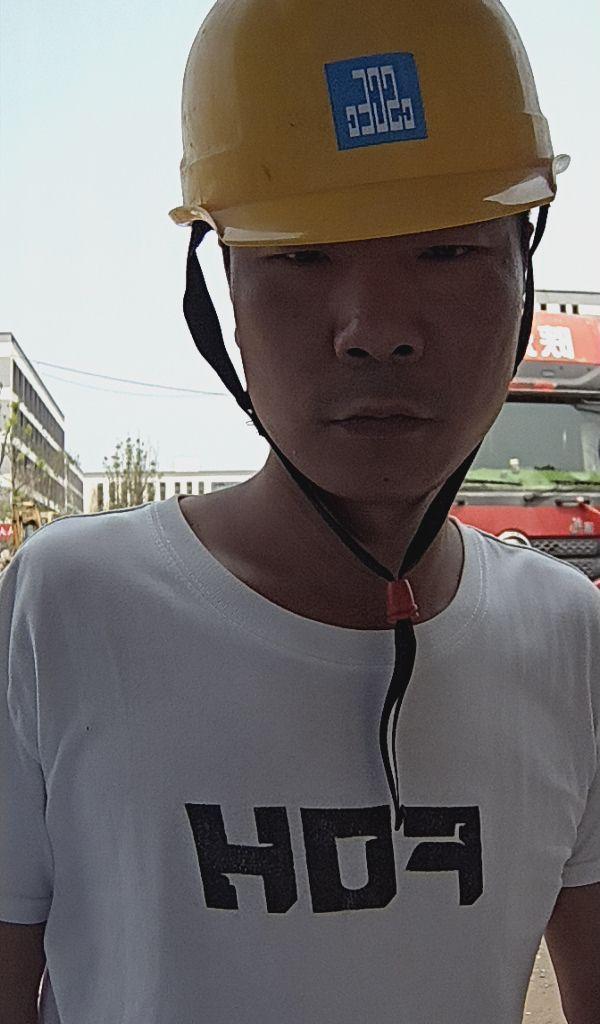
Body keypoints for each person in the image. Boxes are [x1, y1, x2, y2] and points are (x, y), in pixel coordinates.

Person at [1, 2, 599, 1023]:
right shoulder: (64, 610)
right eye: (302, 256)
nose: (375, 327)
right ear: (224, 289)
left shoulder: (569, 640)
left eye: (447, 251)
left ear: (524, 270)